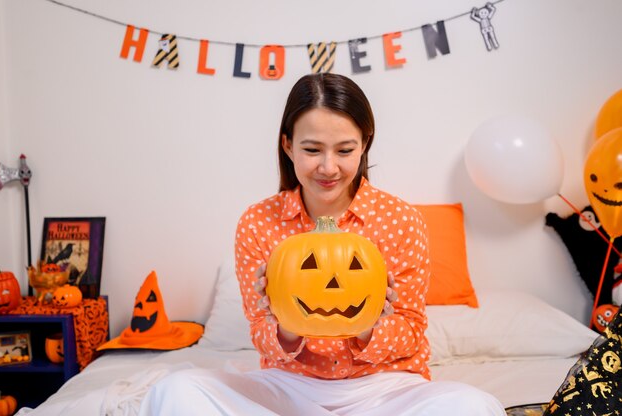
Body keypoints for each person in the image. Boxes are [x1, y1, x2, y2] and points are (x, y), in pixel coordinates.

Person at [140, 73, 506, 415]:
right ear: (288, 145)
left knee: (471, 405)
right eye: (313, 150)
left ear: (364, 144)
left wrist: (368, 323)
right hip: (289, 386)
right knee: (177, 389)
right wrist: (283, 322)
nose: (328, 168)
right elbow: (260, 335)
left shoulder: (401, 219)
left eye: (344, 150)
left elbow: (410, 333)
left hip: (383, 388)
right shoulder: (258, 221)